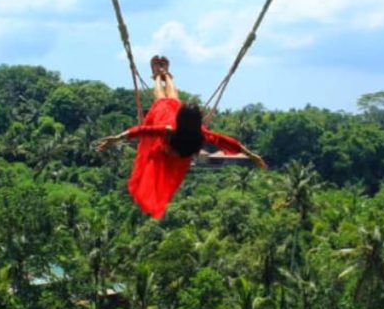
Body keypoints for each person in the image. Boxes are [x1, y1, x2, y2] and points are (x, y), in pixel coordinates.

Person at [96, 55, 267, 219]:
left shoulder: (170, 129)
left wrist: (116, 138)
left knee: (162, 100)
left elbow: (142, 130)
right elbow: (229, 142)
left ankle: (157, 75)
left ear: (181, 118)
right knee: (173, 100)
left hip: (165, 131)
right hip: (176, 141)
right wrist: (251, 155)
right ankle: (166, 74)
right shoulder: (200, 133)